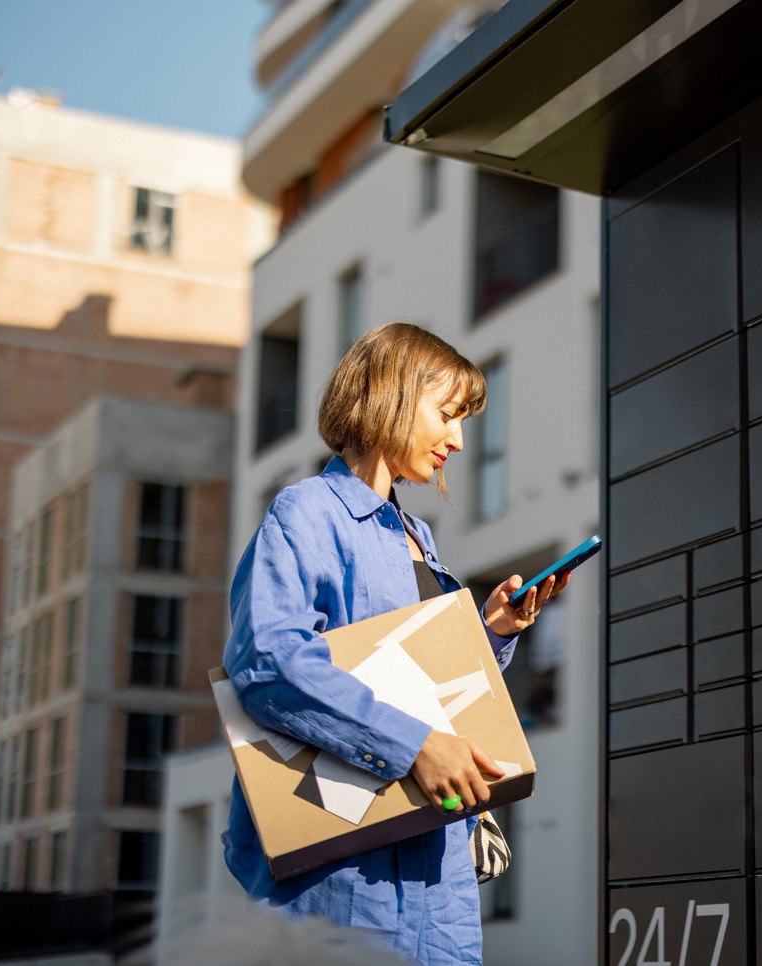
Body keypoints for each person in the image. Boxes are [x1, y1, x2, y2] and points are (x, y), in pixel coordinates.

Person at [221, 321, 567, 966]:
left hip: (437, 877)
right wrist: (411, 746)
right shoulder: (308, 511)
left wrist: (491, 633)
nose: (459, 440)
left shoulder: (418, 538)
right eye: (447, 414)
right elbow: (267, 662)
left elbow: (416, 677)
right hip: (342, 877)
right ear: (394, 396)